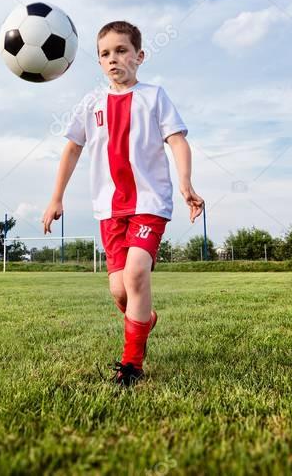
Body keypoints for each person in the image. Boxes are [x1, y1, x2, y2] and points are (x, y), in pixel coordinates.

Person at [42, 20, 204, 386]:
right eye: (105, 53)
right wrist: (56, 197)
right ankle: (144, 318)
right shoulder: (91, 104)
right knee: (119, 289)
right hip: (109, 209)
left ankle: (132, 365)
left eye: (121, 50)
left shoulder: (154, 96)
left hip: (150, 202)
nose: (113, 58)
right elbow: (72, 149)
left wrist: (185, 183)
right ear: (99, 62)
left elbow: (177, 141)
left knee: (135, 274)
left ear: (139, 56)